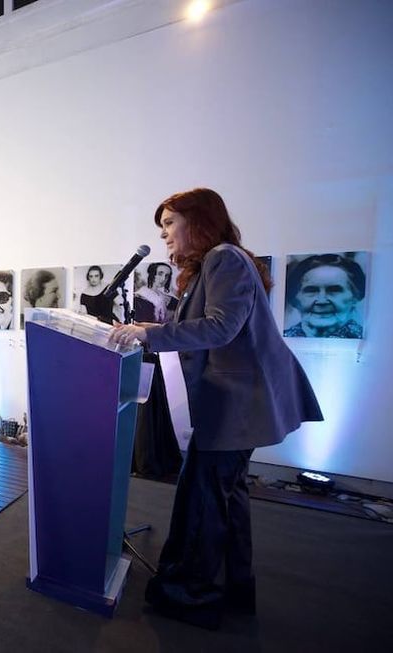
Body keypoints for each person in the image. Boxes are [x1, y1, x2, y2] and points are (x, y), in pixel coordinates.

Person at [110, 188, 323, 629]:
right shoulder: (222, 261)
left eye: (169, 223)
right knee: (227, 501)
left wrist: (148, 333)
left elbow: (222, 327)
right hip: (236, 405)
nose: (165, 235)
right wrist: (155, 328)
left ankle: (194, 597)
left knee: (204, 502)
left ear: (198, 220)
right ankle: (231, 591)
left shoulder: (224, 257)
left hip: (235, 407)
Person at [283, 254, 366, 338]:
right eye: (311, 290)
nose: (322, 301)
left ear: (356, 296)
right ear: (294, 299)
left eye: (334, 290)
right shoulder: (279, 341)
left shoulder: (371, 340)